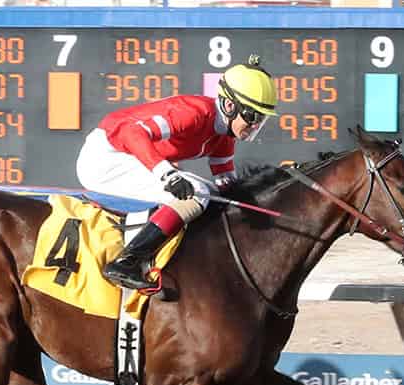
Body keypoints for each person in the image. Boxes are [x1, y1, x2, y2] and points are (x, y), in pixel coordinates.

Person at [76, 54, 278, 291]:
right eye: (252, 116)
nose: (255, 126)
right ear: (229, 105)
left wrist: (264, 199)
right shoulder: (193, 112)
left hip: (128, 159)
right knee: (197, 193)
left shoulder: (224, 136)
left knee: (211, 193)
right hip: (104, 158)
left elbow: (227, 187)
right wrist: (167, 174)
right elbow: (131, 133)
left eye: (261, 119)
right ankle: (126, 261)